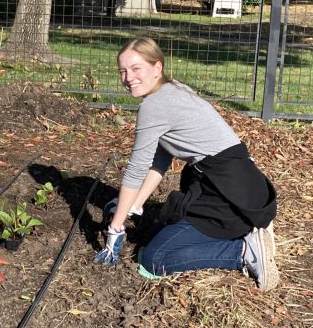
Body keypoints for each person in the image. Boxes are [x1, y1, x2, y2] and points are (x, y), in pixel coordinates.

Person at [93, 37, 279, 291]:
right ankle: (243, 231)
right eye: (123, 71)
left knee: (153, 259)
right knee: (159, 229)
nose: (128, 77)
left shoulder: (154, 105)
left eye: (136, 69)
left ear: (157, 67)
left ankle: (243, 251)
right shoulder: (173, 89)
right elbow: (161, 157)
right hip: (242, 187)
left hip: (228, 194)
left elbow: (136, 169)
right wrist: (135, 205)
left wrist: (116, 227)